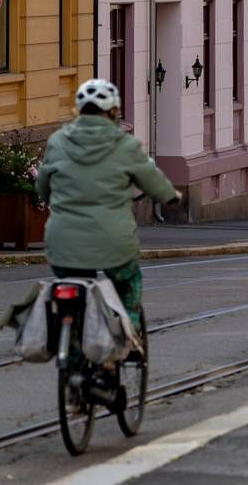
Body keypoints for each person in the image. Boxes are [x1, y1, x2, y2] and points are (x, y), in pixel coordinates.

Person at [37, 78, 179, 348]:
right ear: (113, 112)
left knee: (71, 283)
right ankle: (129, 338)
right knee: (128, 282)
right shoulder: (124, 145)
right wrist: (169, 196)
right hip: (114, 241)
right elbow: (152, 180)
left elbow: (43, 187)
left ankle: (72, 353)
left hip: (63, 241)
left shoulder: (57, 141)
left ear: (79, 110)